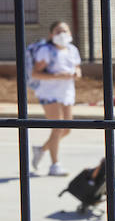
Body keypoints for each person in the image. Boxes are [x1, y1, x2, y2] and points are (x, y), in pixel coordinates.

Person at [29, 20, 81, 176]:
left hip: (66, 93)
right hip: (49, 93)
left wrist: (76, 73)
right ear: (51, 35)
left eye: (65, 31)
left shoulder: (72, 50)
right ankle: (55, 164)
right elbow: (35, 73)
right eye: (58, 32)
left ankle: (41, 149)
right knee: (57, 128)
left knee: (66, 129)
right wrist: (57, 75)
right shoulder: (46, 51)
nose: (62, 34)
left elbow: (77, 67)